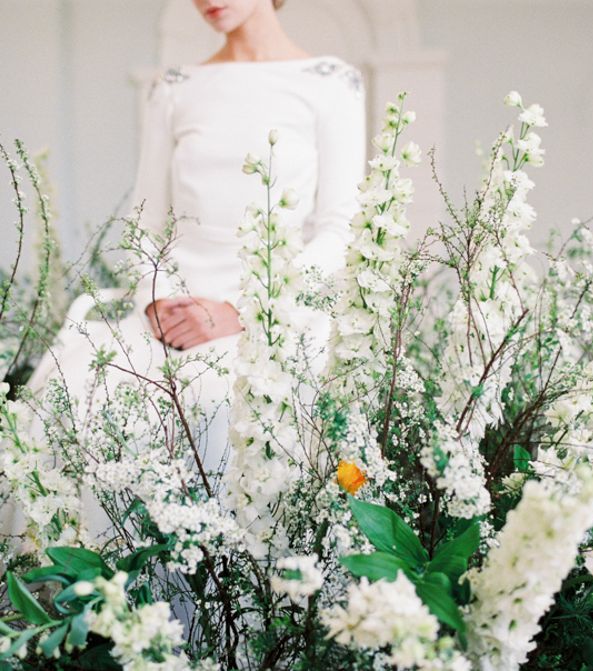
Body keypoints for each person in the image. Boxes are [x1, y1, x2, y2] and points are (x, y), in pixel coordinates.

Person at [16, 0, 367, 542]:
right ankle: (97, 595)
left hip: (271, 316)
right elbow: (145, 219)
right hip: (169, 311)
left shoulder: (330, 82)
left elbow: (340, 227)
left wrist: (244, 312)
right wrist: (155, 301)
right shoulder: (176, 85)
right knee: (71, 391)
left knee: (215, 406)